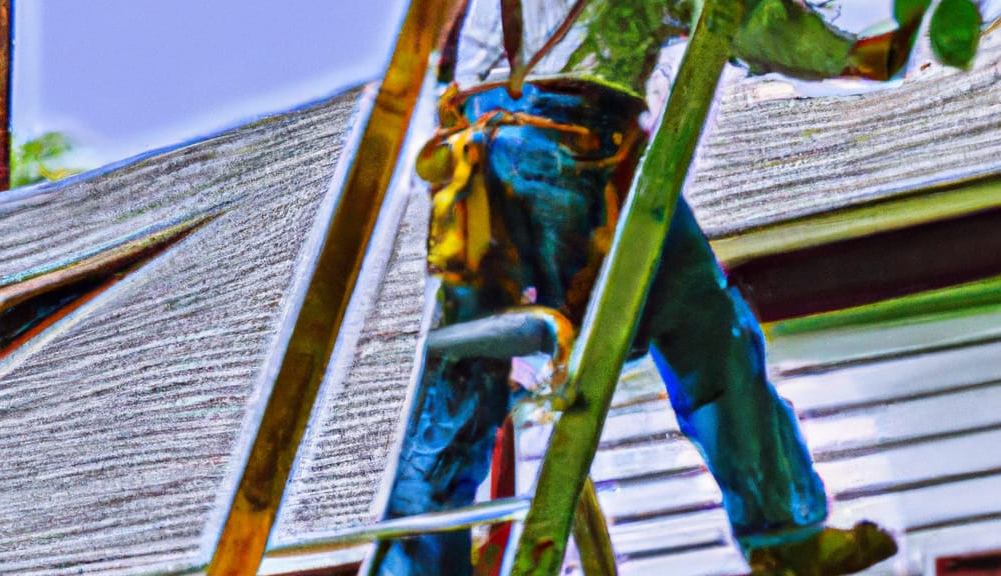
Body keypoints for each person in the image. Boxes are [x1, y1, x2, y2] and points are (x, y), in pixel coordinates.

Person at [366, 0, 943, 573]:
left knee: (466, 378)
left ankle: (411, 568)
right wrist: (874, 53)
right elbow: (756, 21)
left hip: (472, 180)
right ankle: (782, 536)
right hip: (570, 150)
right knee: (707, 332)